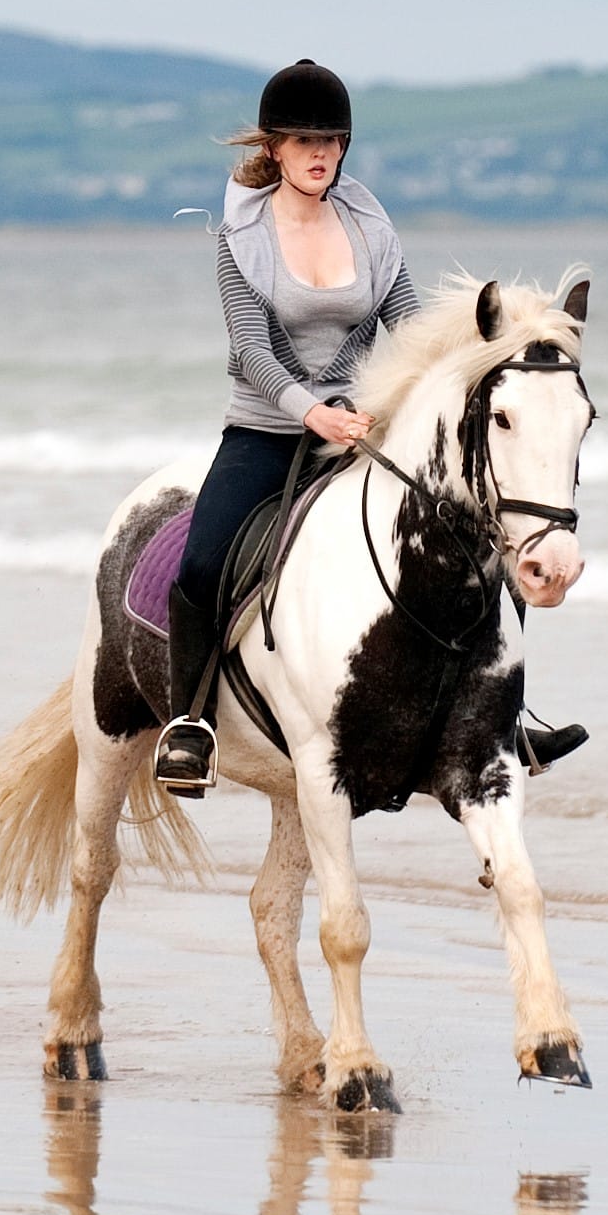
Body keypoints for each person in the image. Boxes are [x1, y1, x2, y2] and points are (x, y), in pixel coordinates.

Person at [153, 58, 419, 797]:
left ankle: (502, 712)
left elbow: (411, 325)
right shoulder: (242, 233)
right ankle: (190, 726)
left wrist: (434, 386)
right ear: (273, 146)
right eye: (304, 140)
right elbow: (250, 348)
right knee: (203, 562)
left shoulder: (371, 225)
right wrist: (311, 409)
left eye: (332, 139)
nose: (319, 154)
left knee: (468, 524)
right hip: (267, 431)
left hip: (360, 428)